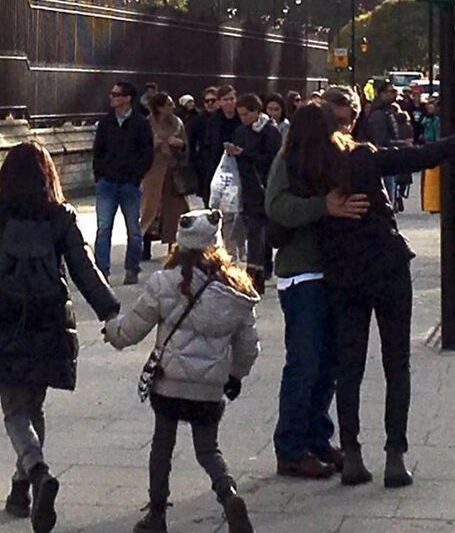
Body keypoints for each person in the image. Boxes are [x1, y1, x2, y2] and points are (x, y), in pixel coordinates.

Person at [273, 100, 455, 489]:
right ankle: (395, 455)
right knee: (397, 364)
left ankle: (353, 452)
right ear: (333, 127)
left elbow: (279, 207)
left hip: (342, 276)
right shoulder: (361, 157)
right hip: (386, 266)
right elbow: (420, 156)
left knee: (348, 367)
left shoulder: (300, 170)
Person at [104, 209, 259, 533]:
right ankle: (227, 493)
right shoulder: (236, 290)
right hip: (209, 388)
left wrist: (113, 331)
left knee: (162, 446)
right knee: (208, 449)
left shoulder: (166, 282)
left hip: (169, 384)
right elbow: (248, 345)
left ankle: (157, 514)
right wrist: (235, 376)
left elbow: (134, 327)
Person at [0, 142, 119, 531]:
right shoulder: (60, 215)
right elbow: (84, 268)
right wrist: (111, 313)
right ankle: (21, 490)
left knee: (15, 408)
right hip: (49, 319)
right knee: (34, 404)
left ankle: (35, 472)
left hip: (6, 317)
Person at [265, 115, 369, 480]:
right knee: (304, 363)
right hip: (301, 273)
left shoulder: (334, 157)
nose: (342, 132)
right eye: (335, 126)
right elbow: (276, 207)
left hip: (331, 271)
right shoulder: (289, 160)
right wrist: (322, 207)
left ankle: (317, 437)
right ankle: (291, 449)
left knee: (329, 363)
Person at [93, 81, 154, 285]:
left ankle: (132, 268)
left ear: (128, 98)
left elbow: (147, 153)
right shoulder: (106, 123)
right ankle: (102, 270)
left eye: (116, 95)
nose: (112, 98)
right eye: (112, 94)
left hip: (129, 183)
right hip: (107, 182)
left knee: (133, 230)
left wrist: (136, 176)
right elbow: (98, 151)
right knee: (103, 228)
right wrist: (99, 176)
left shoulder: (140, 123)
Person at [230, 94, 282, 294]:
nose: (242, 118)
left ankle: (256, 275)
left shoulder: (270, 132)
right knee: (257, 232)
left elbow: (272, 160)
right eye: (239, 114)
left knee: (257, 233)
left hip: (264, 186)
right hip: (247, 187)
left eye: (245, 114)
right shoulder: (241, 131)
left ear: (256, 112)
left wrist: (244, 154)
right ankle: (260, 270)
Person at [141, 94, 190, 261]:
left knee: (175, 210)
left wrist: (180, 145)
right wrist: (151, 145)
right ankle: (144, 244)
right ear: (159, 107)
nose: (173, 106)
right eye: (169, 104)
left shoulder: (177, 124)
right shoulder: (147, 124)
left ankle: (173, 246)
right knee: (151, 208)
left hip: (173, 171)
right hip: (153, 171)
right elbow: (138, 147)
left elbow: (185, 146)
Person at [187, 87, 219, 204]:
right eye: (207, 101)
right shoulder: (198, 120)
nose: (210, 103)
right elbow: (191, 141)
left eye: (213, 100)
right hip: (205, 165)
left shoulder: (226, 118)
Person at [205, 86, 241, 188]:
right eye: (225, 100)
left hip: (238, 163)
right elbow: (208, 143)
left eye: (232, 99)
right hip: (217, 163)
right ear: (220, 102)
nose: (229, 102)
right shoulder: (214, 120)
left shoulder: (241, 118)